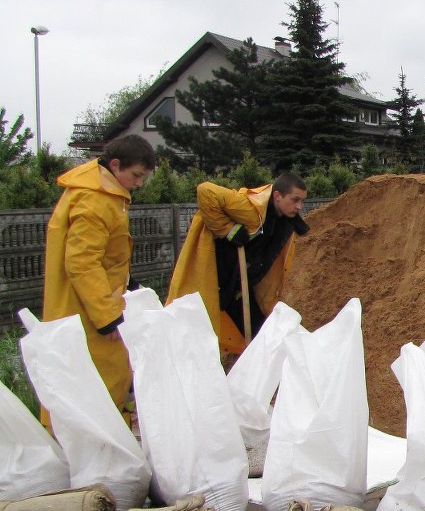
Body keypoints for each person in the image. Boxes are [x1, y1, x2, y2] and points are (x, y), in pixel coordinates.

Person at [42, 134, 156, 419]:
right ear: (115, 165)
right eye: (136, 175)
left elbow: (105, 251)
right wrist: (108, 318)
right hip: (86, 310)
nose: (139, 183)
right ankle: (99, 447)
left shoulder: (104, 193)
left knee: (96, 378)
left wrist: (127, 281)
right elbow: (82, 263)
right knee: (96, 379)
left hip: (91, 302)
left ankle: (104, 442)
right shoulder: (94, 199)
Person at [166, 172, 310, 354]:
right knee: (195, 336)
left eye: (302, 201)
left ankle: (260, 373)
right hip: (215, 279)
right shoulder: (250, 209)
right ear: (277, 196)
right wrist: (229, 230)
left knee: (261, 331)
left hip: (240, 286)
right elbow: (205, 190)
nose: (299, 206)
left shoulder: (283, 223)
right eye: (295, 200)